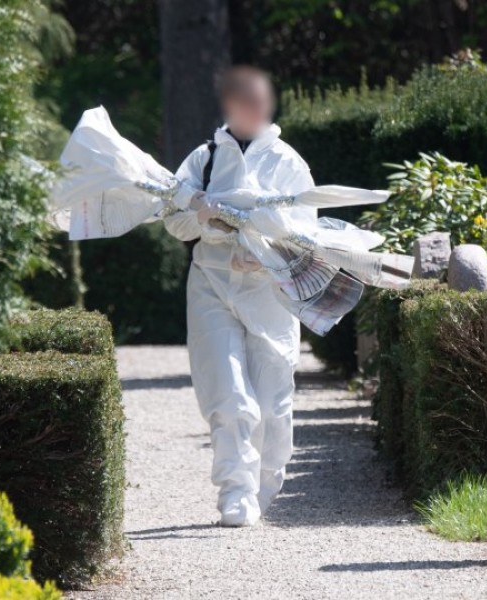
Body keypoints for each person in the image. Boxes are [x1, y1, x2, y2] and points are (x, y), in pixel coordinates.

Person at [163, 66, 314, 527]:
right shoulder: (203, 159)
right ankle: (235, 490)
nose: (256, 109)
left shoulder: (288, 162)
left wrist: (265, 248)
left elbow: (307, 231)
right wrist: (203, 216)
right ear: (229, 105)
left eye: (262, 100)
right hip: (211, 283)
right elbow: (174, 219)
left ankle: (267, 479)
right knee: (227, 393)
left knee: (272, 401)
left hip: (270, 291)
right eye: (246, 100)